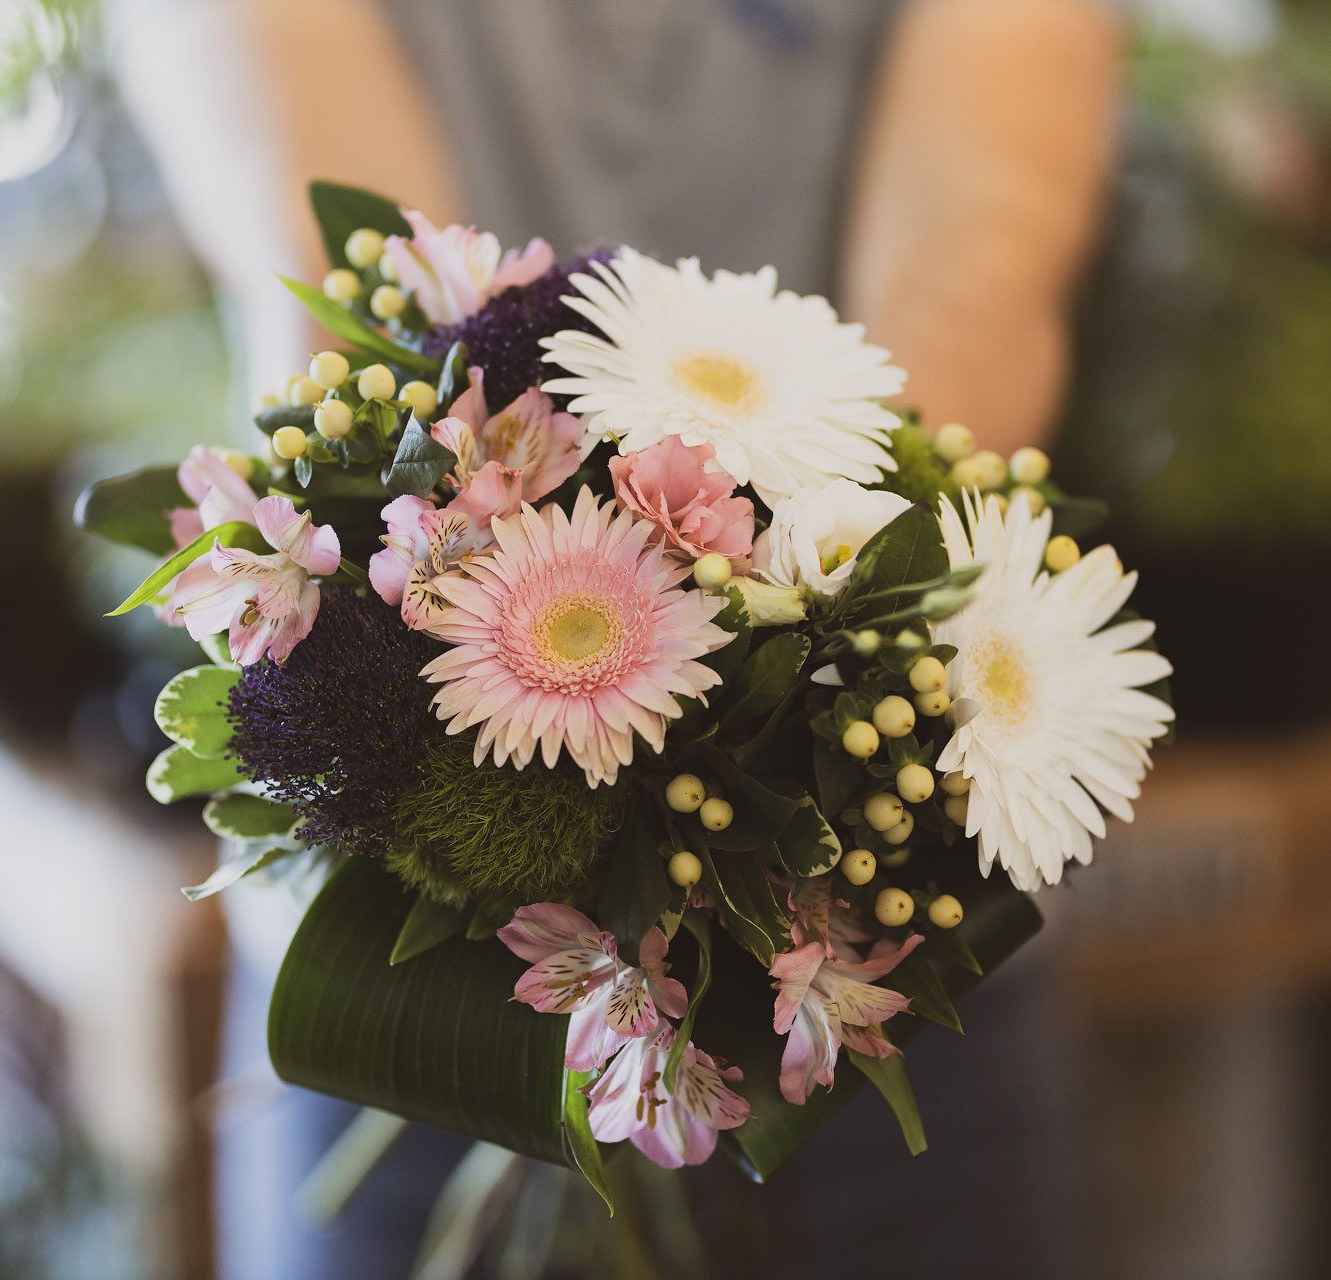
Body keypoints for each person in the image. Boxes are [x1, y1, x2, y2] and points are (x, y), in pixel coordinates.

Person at [108, 1, 1119, 1275]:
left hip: (869, 930)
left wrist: (813, 641)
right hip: (415, 961)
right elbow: (362, 289)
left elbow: (977, 266)